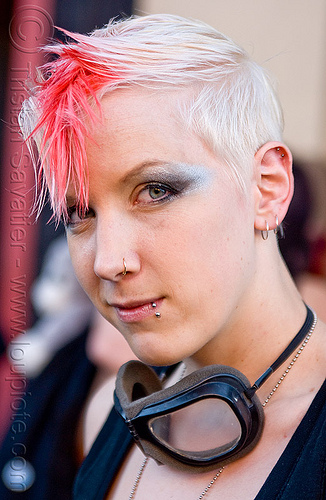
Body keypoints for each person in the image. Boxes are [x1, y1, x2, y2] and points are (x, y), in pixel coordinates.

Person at [18, 13, 325, 500]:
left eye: (155, 190)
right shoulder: (106, 418)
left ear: (268, 189)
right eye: (80, 213)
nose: (107, 261)